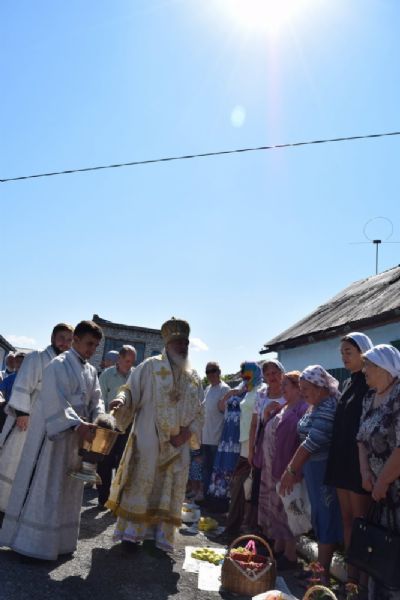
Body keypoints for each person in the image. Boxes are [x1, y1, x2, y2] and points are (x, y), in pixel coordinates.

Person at [0, 320, 104, 560]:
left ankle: (60, 543)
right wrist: (77, 424)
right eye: (89, 344)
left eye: (95, 346)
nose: (92, 350)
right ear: (76, 340)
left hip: (75, 440)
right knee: (46, 485)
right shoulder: (57, 364)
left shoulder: (90, 370)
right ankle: (32, 544)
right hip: (52, 438)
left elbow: (96, 399)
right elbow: (56, 400)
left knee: (67, 488)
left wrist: (99, 419)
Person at [106, 317, 204, 553]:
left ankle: (159, 540)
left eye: (186, 343)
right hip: (148, 440)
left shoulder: (194, 377)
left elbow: (201, 411)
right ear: (167, 344)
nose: (183, 346)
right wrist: (121, 400)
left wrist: (187, 433)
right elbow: (130, 390)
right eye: (178, 342)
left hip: (178, 446)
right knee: (142, 486)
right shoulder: (149, 367)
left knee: (168, 492)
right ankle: (131, 537)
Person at [0, 324, 73, 515]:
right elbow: (23, 384)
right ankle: (3, 505)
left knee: (32, 465)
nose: (65, 343)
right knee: (13, 459)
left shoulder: (67, 364)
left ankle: (19, 507)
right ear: (52, 338)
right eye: (61, 338)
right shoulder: (37, 357)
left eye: (69, 340)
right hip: (27, 418)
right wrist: (22, 413)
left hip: (47, 423)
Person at [280, 365, 343, 584]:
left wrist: (291, 470)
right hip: (312, 470)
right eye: (301, 388)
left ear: (319, 387)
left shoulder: (328, 406)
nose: (303, 392)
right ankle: (318, 570)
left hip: (323, 470)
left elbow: (313, 441)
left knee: (326, 518)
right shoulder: (315, 406)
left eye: (306, 388)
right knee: (318, 517)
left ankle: (321, 576)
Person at [325, 332, 373, 594]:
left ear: (364, 352)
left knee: (360, 521)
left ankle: (362, 582)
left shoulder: (370, 383)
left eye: (349, 352)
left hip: (358, 462)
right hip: (341, 458)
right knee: (346, 519)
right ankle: (350, 578)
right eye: (342, 352)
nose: (344, 357)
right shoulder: (347, 383)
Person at [357, 344, 400, 600]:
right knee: (380, 554)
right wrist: (365, 473)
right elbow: (361, 439)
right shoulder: (369, 398)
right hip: (379, 492)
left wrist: (383, 481)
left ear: (384, 368)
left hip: (394, 490)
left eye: (368, 365)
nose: (364, 370)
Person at [258, 371, 308, 569]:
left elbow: (303, 439)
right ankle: (278, 547)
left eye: (286, 385)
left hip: (289, 467)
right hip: (273, 466)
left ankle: (290, 554)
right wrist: (267, 415)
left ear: (297, 388)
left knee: (290, 510)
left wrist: (295, 470)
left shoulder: (303, 408)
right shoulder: (283, 407)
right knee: (277, 509)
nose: (282, 388)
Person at [221, 361, 263, 539]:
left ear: (255, 372)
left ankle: (239, 529)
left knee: (244, 488)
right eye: (243, 372)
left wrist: (254, 446)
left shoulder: (261, 390)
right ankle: (234, 529)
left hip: (254, 446)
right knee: (239, 488)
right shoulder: (249, 389)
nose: (244, 375)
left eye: (247, 372)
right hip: (244, 443)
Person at [97, 344, 136, 508]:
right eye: (127, 361)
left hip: (128, 425)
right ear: (119, 359)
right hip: (109, 425)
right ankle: (103, 498)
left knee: (123, 462)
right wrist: (103, 419)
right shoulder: (107, 375)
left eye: (133, 361)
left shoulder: (136, 376)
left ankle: (117, 499)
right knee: (104, 462)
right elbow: (99, 398)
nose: (130, 364)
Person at [249, 359, 286, 522]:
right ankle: (260, 524)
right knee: (259, 486)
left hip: (282, 449)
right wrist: (251, 449)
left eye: (275, 373)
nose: (272, 377)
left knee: (277, 487)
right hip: (262, 446)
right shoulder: (261, 394)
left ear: (282, 373)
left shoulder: (289, 392)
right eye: (268, 374)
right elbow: (254, 424)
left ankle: (277, 526)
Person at [201, 362, 230, 503]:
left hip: (217, 438)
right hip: (205, 437)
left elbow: (227, 413)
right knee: (206, 470)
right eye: (207, 372)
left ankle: (215, 500)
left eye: (213, 371)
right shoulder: (207, 389)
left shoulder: (224, 389)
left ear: (219, 372)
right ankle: (207, 499)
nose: (210, 374)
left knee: (216, 472)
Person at [0, 352, 26, 431]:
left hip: (24, 413)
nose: (19, 364)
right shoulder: (7, 379)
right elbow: (2, 395)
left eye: (22, 362)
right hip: (8, 411)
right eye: (17, 361)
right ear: (14, 363)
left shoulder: (32, 381)